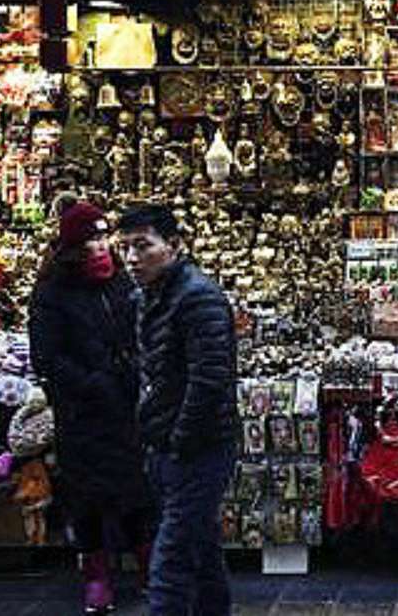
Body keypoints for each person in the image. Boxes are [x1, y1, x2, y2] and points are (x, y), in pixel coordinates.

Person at [28, 199, 152, 616]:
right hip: (82, 411)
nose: (100, 247)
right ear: (72, 246)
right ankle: (96, 575)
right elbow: (47, 357)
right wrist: (89, 383)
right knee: (87, 496)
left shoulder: (120, 280)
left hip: (126, 405)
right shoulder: (53, 292)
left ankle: (147, 564)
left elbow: (138, 327)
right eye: (90, 240)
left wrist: (135, 368)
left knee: (136, 488)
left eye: (103, 237)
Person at [120, 204, 237, 616]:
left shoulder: (197, 297)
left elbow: (209, 379)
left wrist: (180, 439)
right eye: (125, 248)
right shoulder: (151, 296)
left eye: (142, 246)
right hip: (169, 445)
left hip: (198, 448)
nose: (132, 258)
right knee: (200, 551)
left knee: (170, 561)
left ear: (173, 245)